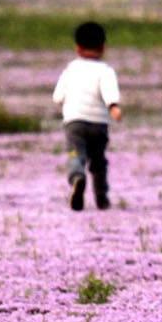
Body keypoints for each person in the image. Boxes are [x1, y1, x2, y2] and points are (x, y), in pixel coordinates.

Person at [53, 21, 122, 211]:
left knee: (75, 154)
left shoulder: (70, 70)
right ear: (103, 47)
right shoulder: (106, 71)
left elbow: (57, 97)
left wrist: (65, 103)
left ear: (77, 47)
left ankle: (77, 177)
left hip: (74, 122)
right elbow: (110, 96)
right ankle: (101, 197)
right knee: (98, 161)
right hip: (99, 124)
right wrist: (114, 108)